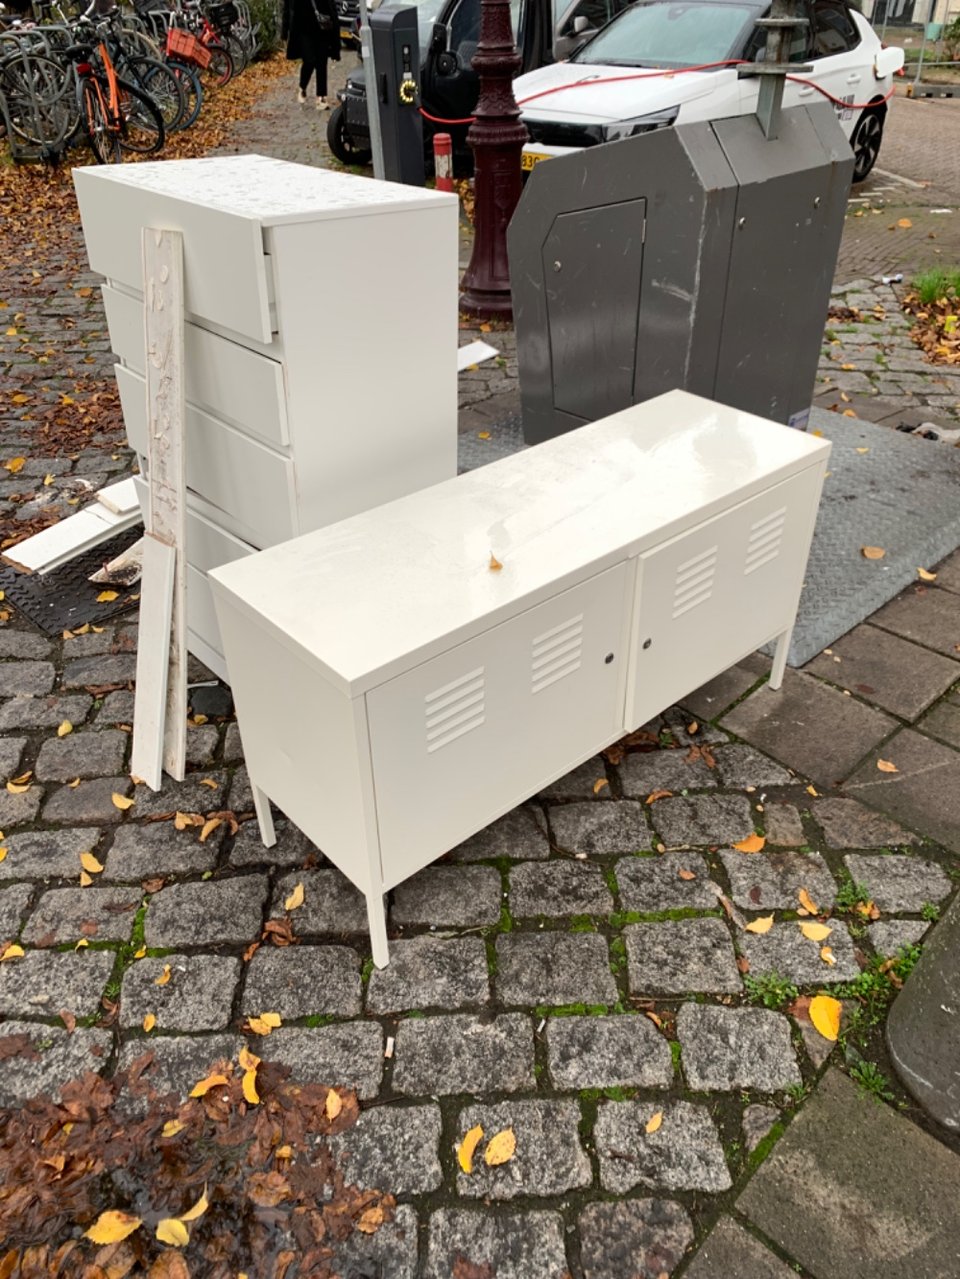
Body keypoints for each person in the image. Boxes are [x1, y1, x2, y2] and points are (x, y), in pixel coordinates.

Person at [281, 0, 340, 110]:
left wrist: (335, 41)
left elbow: (331, 7)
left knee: (322, 62)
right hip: (303, 29)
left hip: (322, 27)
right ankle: (302, 86)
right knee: (309, 60)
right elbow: (288, 8)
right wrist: (284, 32)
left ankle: (321, 97)